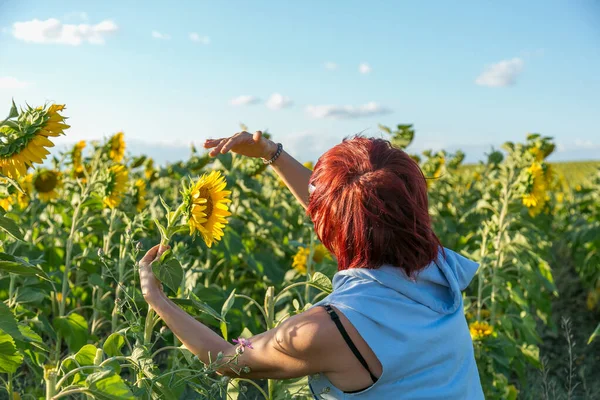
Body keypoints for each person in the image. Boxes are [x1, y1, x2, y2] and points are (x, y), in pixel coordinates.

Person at [139, 131, 484, 399]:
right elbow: (355, 216)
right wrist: (272, 154)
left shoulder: (329, 330)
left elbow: (227, 359)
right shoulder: (434, 267)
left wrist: (158, 299)